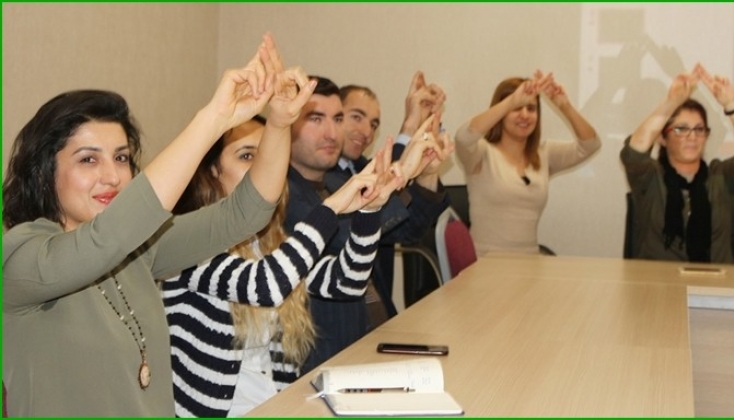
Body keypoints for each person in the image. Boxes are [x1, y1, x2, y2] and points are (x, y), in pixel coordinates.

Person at [1, 33, 304, 417]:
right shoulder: (21, 257)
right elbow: (107, 238)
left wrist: (279, 124)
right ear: (45, 173)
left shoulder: (138, 250)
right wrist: (212, 120)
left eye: (121, 158)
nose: (112, 176)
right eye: (88, 160)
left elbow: (245, 213)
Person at [162, 109, 403, 417]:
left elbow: (347, 283)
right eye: (247, 156)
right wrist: (331, 208)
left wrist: (370, 211)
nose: (264, 168)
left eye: (268, 157)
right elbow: (266, 285)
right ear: (211, 171)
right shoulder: (188, 242)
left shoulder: (265, 240)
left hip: (274, 405)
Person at [285, 76, 449, 374]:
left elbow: (408, 230)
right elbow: (342, 240)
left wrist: (425, 171)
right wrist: (403, 170)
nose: (332, 133)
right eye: (316, 118)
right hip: (331, 359)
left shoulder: (335, 181)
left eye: (337, 119)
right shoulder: (283, 195)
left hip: (377, 333)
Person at [330, 72, 451, 320]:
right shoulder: (323, 176)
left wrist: (428, 172)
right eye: (357, 117)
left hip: (380, 310)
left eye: (374, 124)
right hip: (348, 315)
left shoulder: (360, 166)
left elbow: (409, 228)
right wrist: (410, 127)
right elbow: (387, 190)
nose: (366, 131)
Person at [454, 71, 601, 256]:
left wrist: (564, 105)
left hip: (530, 262)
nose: (525, 115)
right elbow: (463, 137)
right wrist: (510, 101)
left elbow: (591, 145)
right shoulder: (481, 154)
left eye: (531, 108)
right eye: (517, 108)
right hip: (486, 263)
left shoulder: (544, 154)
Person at [621, 63, 734, 263]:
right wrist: (671, 102)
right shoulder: (649, 177)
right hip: (657, 281)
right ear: (662, 138)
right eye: (681, 129)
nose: (692, 136)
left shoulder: (721, 177)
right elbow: (634, 152)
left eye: (699, 129)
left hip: (714, 281)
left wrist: (732, 104)